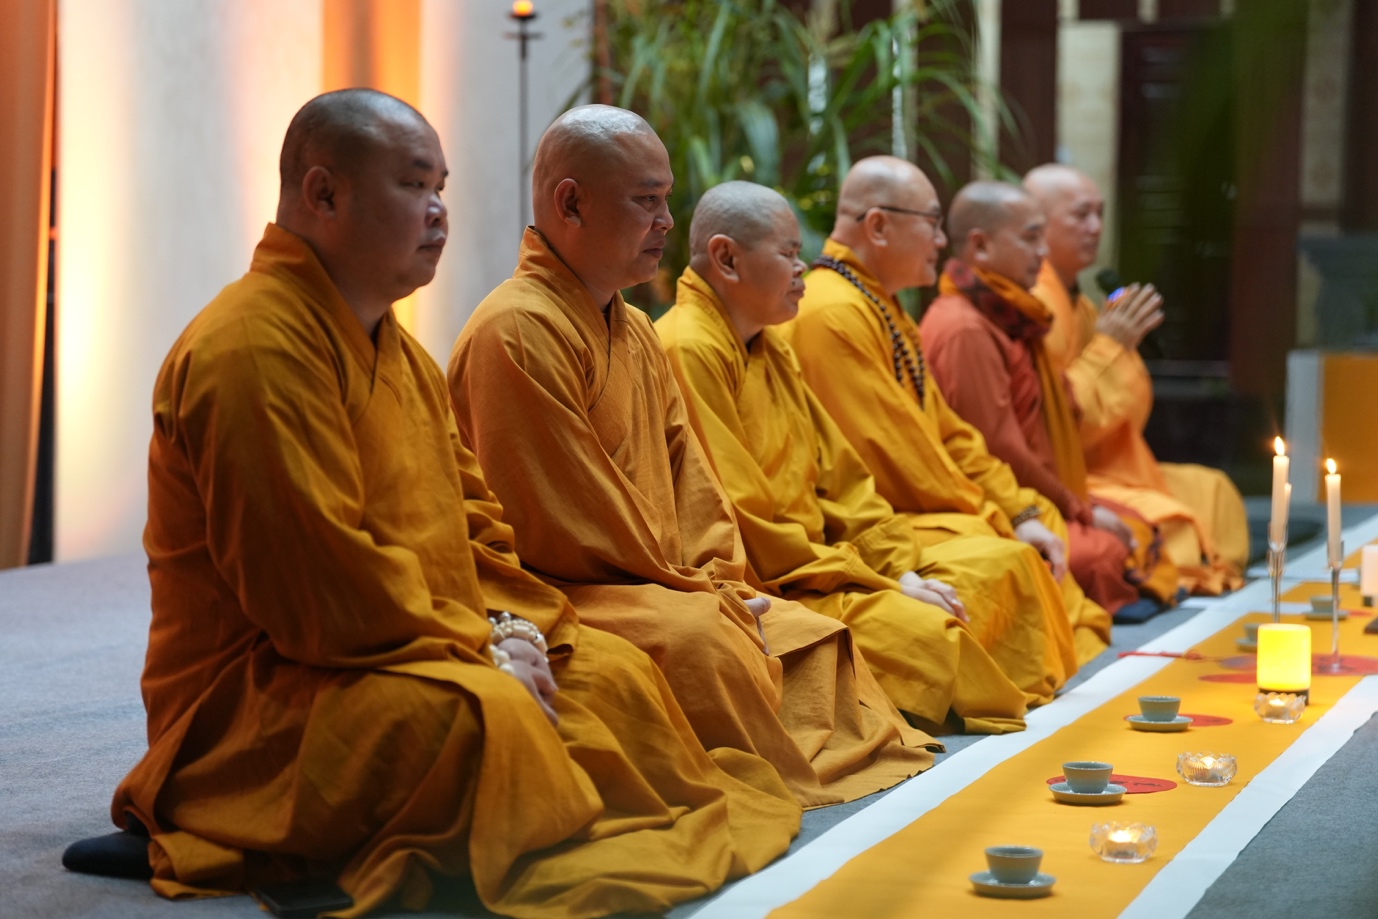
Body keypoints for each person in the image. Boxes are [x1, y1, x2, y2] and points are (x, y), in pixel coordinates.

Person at [97, 90, 802, 919]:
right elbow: (316, 589)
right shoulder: (250, 347)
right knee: (488, 717)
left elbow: (477, 526)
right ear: (323, 194)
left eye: (441, 188)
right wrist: (480, 646)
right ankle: (238, 815)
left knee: (609, 674)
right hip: (269, 689)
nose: (438, 212)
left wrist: (515, 627)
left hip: (407, 641)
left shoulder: (398, 352)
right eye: (413, 186)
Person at [448, 106, 935, 809]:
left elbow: (693, 482)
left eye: (667, 199)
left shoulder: (637, 331)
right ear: (571, 203)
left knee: (816, 635)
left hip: (667, 580)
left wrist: (721, 578)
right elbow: (565, 522)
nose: (667, 222)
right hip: (575, 590)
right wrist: (699, 592)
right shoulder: (515, 331)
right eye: (646, 200)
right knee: (706, 638)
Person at [656, 180, 1084, 729]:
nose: (801, 269)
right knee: (939, 633)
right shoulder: (693, 347)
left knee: (1005, 565)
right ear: (727, 259)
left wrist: (895, 564)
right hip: (774, 581)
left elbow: (846, 475)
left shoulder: (772, 342)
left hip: (826, 559)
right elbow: (743, 522)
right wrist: (878, 576)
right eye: (789, 253)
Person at [786, 156, 1112, 663]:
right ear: (878, 226)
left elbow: (950, 433)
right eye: (932, 225)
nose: (941, 241)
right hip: (871, 522)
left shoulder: (879, 304)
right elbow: (891, 456)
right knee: (1003, 557)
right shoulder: (833, 313)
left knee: (1031, 522)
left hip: (913, 507)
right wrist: (993, 512)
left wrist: (1015, 508)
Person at [918, 180, 1178, 617]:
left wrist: (1081, 505)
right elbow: (998, 451)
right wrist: (1078, 508)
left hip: (1037, 492)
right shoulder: (966, 328)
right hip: (999, 501)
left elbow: (1060, 411)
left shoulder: (1013, 316)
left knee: (1136, 529)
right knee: (1102, 553)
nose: (1043, 253)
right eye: (1031, 238)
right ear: (980, 246)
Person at [1023, 163, 1247, 594]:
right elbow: (1057, 420)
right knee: (1171, 520)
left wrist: (1118, 346)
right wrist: (1108, 347)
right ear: (1037, 224)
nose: (1095, 227)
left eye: (1100, 214)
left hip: (1104, 467)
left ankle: (1191, 565)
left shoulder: (1080, 305)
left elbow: (1126, 413)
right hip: (1066, 476)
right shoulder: (1038, 305)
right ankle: (1175, 570)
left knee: (1213, 490)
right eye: (1080, 215)